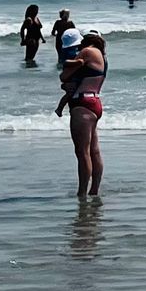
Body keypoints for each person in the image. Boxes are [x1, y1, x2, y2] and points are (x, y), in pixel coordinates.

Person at [56, 31, 107, 198]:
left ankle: (82, 192)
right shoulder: (102, 57)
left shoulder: (87, 52)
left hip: (82, 103)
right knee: (94, 151)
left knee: (82, 152)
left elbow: (64, 76)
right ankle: (94, 190)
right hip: (94, 102)